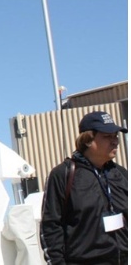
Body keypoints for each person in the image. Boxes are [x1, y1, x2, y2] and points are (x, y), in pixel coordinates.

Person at [40, 110, 128, 264]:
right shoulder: (64, 174)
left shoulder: (120, 174)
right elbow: (51, 226)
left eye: (116, 136)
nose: (115, 141)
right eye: (107, 136)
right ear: (87, 140)